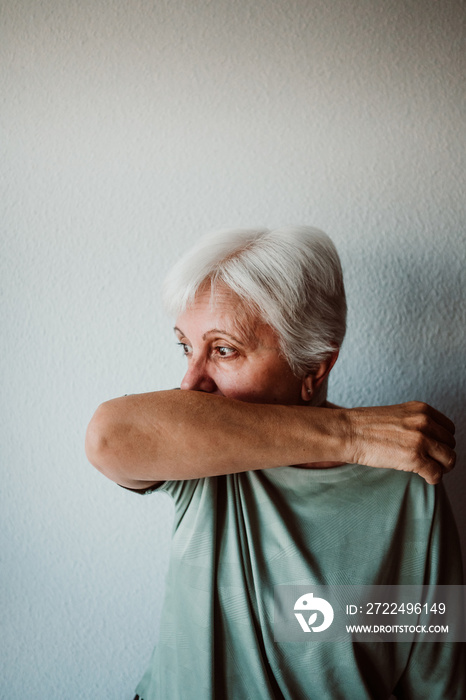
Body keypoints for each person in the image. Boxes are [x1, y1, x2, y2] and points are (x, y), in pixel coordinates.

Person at [85, 226, 463, 699]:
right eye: (186, 346)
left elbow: (434, 675)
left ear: (314, 368)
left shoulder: (408, 486)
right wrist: (347, 434)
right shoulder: (201, 457)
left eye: (223, 349)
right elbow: (108, 436)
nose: (189, 382)